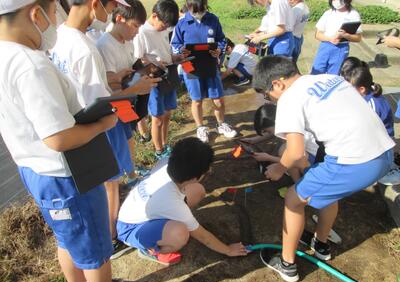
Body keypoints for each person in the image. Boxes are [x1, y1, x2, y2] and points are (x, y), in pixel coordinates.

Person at [0, 0, 136, 282]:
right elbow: (58, 137)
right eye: (51, 14)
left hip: (34, 169)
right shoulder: (30, 64)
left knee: (68, 239)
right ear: (35, 14)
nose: (52, 22)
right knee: (96, 249)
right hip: (67, 174)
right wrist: (102, 125)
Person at [253, 56, 394, 282]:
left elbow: (296, 153)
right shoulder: (329, 79)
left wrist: (279, 167)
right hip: (384, 152)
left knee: (293, 199)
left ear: (278, 84)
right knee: (327, 192)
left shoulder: (290, 99)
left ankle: (287, 264)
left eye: (267, 94)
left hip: (355, 162)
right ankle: (321, 244)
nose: (269, 99)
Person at [50, 0, 160, 259]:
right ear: (95, 4)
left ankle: (104, 236)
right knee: (110, 183)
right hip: (96, 126)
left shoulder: (59, 38)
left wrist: (119, 78)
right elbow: (100, 102)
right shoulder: (86, 48)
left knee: (99, 187)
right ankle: (111, 238)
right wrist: (136, 89)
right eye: (111, 8)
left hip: (74, 125)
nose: (112, 15)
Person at [117, 137, 248, 265]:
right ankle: (149, 250)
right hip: (130, 228)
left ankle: (165, 226)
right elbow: (203, 236)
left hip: (141, 209)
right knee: (180, 233)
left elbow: (177, 193)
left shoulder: (165, 161)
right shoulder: (172, 203)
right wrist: (228, 250)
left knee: (198, 190)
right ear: (195, 177)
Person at [171, 0, 238, 143]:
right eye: (195, 10)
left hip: (210, 65)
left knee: (218, 99)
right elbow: (175, 44)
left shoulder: (213, 19)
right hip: (191, 67)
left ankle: (221, 124)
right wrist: (181, 50)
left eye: (201, 10)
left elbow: (221, 39)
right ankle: (200, 127)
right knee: (197, 100)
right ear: (188, 7)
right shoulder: (181, 23)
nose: (199, 13)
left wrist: (219, 50)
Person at [96, 0, 149, 177]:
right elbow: (110, 83)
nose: (137, 32)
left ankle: (132, 172)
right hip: (114, 104)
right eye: (134, 26)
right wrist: (133, 84)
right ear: (119, 19)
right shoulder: (104, 45)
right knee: (118, 144)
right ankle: (122, 178)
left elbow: (130, 68)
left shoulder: (128, 42)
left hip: (127, 100)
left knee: (128, 137)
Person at [340, 57, 400, 185]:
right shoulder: (366, 93)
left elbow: (367, 133)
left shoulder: (372, 104)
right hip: (374, 141)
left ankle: (388, 167)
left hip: (380, 146)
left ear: (361, 89)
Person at [133, 0, 180, 160]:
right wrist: (153, 63)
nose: (166, 28)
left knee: (167, 114)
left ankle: (165, 144)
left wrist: (175, 57)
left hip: (169, 75)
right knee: (157, 118)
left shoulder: (163, 30)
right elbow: (138, 60)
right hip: (154, 80)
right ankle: (159, 150)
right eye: (164, 25)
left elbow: (165, 51)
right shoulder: (141, 32)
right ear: (154, 16)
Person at [252, 104, 318, 182]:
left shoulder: (295, 131)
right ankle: (298, 182)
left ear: (276, 123)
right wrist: (254, 140)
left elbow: (297, 160)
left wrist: (268, 158)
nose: (269, 133)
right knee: (286, 149)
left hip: (317, 163)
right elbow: (273, 132)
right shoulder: (288, 119)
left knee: (284, 150)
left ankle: (298, 184)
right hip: (312, 155)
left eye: (268, 131)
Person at [310, 0, 362, 75]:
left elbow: (358, 38)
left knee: (334, 75)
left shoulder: (353, 14)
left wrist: (346, 35)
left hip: (341, 48)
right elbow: (318, 34)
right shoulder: (328, 13)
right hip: (325, 46)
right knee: (316, 72)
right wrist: (330, 39)